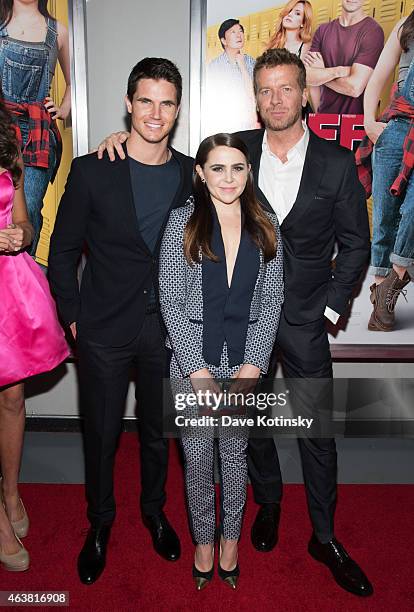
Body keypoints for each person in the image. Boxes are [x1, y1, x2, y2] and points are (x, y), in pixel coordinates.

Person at [95, 48, 373, 598]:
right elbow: (175, 169)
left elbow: (358, 245)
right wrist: (115, 142)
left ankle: (326, 536)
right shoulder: (236, 151)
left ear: (304, 93)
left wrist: (329, 309)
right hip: (228, 326)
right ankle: (266, 507)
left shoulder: (338, 164)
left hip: (300, 321)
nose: (276, 99)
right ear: (256, 97)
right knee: (254, 433)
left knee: (316, 430)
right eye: (266, 90)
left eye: (286, 89)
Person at [48, 58, 194, 586]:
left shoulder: (189, 173)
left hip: (168, 333)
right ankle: (100, 523)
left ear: (177, 110)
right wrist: (74, 319)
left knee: (158, 435)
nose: (156, 113)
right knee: (102, 436)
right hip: (103, 330)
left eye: (167, 103)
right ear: (129, 104)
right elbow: (62, 254)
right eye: (146, 101)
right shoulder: (92, 170)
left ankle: (154, 513)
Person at [159, 133, 283, 590]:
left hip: (243, 368)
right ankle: (203, 542)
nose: (228, 178)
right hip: (193, 366)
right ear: (200, 173)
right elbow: (171, 300)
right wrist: (196, 370)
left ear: (248, 173)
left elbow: (271, 300)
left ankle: (230, 540)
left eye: (237, 168)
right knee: (195, 459)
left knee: (234, 455)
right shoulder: (182, 224)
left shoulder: (266, 223)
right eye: (217, 168)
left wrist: (253, 366)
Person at [0, 91, 69, 572]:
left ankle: (10, 491)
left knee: (12, 398)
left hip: (8, 286)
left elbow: (24, 220)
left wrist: (20, 236)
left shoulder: (9, 146)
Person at [0, 0, 71, 257]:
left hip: (37, 132)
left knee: (28, 208)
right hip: (0, 125)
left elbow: (79, 82)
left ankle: (23, 274)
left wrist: (62, 110)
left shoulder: (58, 32)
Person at [359, 14, 414, 331]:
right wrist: (369, 121)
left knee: (411, 210)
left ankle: (393, 281)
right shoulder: (407, 25)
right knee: (384, 214)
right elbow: (377, 77)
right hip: (395, 129)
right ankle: (382, 289)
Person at [303, 0, 383, 114]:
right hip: (323, 119)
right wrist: (339, 71)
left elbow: (354, 88)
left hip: (355, 123)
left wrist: (321, 74)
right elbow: (307, 77)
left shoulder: (373, 31)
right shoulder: (322, 31)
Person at [207, 19, 257, 133]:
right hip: (224, 122)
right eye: (233, 32)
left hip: (249, 122)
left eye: (240, 31)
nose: (239, 35)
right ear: (224, 40)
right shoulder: (215, 66)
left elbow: (253, 94)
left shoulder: (251, 62)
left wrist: (243, 67)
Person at [266, 0, 317, 113]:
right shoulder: (274, 44)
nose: (290, 15)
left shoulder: (306, 45)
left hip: (295, 105)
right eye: (289, 11)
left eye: (297, 13)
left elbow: (307, 78)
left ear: (303, 23)